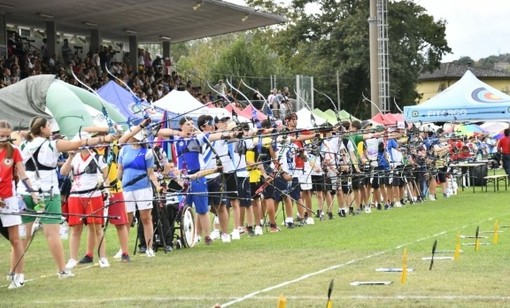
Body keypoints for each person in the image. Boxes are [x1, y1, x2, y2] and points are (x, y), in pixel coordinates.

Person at [18, 116, 120, 278]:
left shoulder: (24, 144)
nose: (51, 128)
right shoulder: (52, 144)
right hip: (47, 192)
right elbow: (79, 143)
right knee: (52, 234)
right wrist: (105, 139)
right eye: (49, 126)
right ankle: (62, 270)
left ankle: (16, 273)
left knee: (22, 236)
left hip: (25, 192)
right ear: (43, 129)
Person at [60, 132, 110, 270]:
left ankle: (103, 257)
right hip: (76, 195)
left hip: (93, 195)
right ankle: (72, 259)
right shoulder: (74, 158)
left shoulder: (98, 158)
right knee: (76, 229)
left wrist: (106, 190)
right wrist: (70, 157)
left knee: (97, 228)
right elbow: (63, 172)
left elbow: (106, 176)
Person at [0, 120, 38, 289]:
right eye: (1, 136)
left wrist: (33, 192)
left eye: (7, 136)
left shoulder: (13, 151)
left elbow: (22, 174)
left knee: (15, 239)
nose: (4, 139)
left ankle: (19, 275)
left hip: (8, 199)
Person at [117, 124, 162, 257]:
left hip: (142, 187)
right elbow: (120, 169)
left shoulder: (147, 152)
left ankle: (149, 247)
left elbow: (151, 173)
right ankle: (123, 249)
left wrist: (158, 186)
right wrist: (114, 185)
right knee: (127, 219)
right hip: (126, 187)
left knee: (145, 217)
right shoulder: (124, 150)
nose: (129, 138)